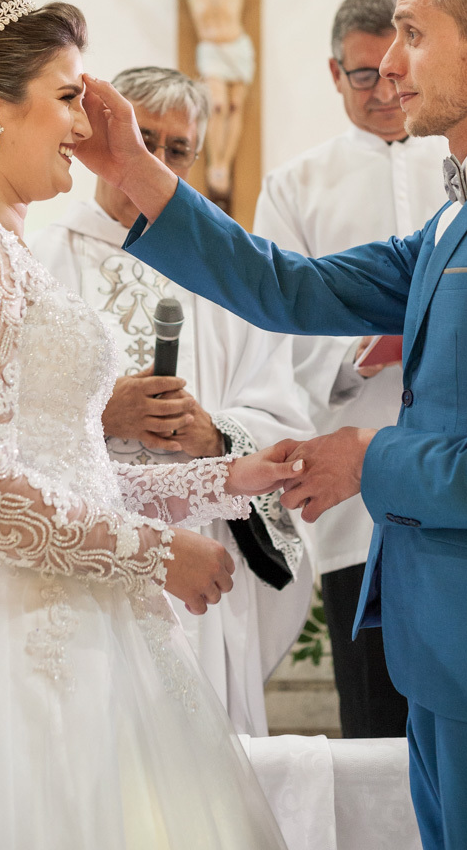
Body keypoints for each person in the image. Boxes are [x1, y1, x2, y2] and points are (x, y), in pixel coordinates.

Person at [81, 0, 467, 850]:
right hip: (449, 650)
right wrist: (139, 175)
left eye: (413, 32)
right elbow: (292, 287)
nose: (393, 61)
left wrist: (368, 457)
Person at [0, 0, 303, 850]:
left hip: (59, 604)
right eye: (66, 99)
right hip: (9, 636)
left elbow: (61, 458)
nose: (86, 128)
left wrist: (221, 478)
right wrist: (156, 553)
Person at [32, 65, 313, 736]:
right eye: (144, 138)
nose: (153, 161)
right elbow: (1, 421)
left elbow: (282, 415)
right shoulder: (41, 260)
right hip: (80, 548)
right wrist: (101, 415)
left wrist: (214, 434)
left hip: (200, 552)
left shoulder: (224, 270)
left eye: (176, 149)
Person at [254, 0, 447, 738]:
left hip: (461, 476)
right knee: (376, 722)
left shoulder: (463, 167)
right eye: (363, 75)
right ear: (334, 74)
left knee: (464, 717)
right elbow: (271, 334)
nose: (384, 91)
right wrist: (376, 348)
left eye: (394, 72)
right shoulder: (297, 187)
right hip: (354, 503)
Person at [105, 0, 319, 204]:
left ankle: (225, 164)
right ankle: (216, 162)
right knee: (216, 106)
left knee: (234, 106)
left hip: (238, 49)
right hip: (211, 52)